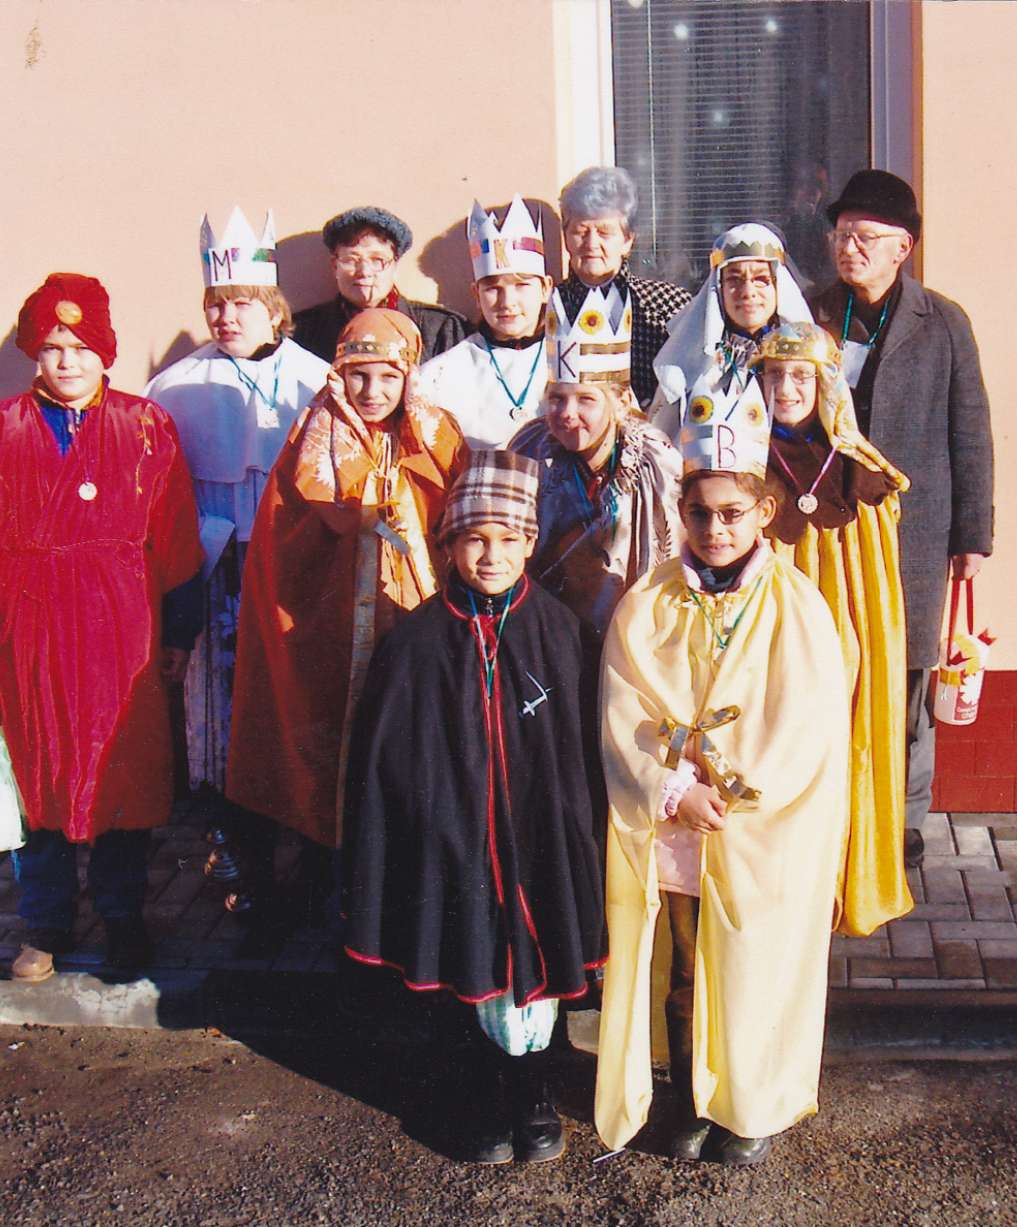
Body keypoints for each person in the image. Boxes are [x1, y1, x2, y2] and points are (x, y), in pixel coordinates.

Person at [594, 378, 850, 1166]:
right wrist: (672, 786)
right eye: (699, 512)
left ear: (765, 511)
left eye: (732, 513)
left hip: (758, 828)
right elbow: (623, 706)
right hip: (677, 819)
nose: (714, 528)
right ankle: (691, 1097)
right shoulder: (647, 602)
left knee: (752, 962)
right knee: (683, 964)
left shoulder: (798, 605)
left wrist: (733, 789)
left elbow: (805, 721)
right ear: (681, 511)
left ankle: (751, 1102)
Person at [0, 273, 204, 983]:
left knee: (123, 773)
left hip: (125, 631)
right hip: (32, 631)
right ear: (35, 352)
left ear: (104, 352)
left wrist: (179, 633)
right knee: (39, 776)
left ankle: (123, 919)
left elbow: (177, 533)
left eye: (81, 347)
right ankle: (45, 923)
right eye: (53, 347)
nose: (67, 361)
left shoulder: (146, 427)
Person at [344, 449, 606, 1165]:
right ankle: (478, 1088)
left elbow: (581, 751)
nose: (491, 556)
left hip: (538, 836)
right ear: (450, 545)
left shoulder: (562, 634)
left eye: (508, 539)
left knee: (539, 958)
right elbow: (387, 763)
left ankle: (533, 1089)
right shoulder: (416, 643)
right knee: (462, 950)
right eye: (474, 539)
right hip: (454, 838)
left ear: (530, 541)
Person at [225, 308, 467, 915]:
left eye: (388, 376)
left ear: (408, 377)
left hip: (413, 616)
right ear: (338, 374)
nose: (372, 391)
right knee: (333, 745)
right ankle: (329, 877)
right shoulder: (313, 435)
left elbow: (456, 518)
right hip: (331, 624)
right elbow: (283, 534)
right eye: (359, 375)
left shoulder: (437, 434)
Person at [142, 207, 329, 917]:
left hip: (291, 573)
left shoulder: (317, 378)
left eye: (241, 304)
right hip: (218, 572)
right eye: (215, 306)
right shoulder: (175, 387)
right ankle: (241, 860)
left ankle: (308, 865)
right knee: (225, 718)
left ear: (273, 307)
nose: (226, 318)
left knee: (295, 712)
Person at [806, 170, 995, 867]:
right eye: (841, 234)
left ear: (902, 247)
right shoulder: (810, 313)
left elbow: (970, 431)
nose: (849, 248)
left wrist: (972, 535)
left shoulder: (942, 322)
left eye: (866, 237)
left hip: (913, 530)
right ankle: (835, 810)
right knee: (830, 666)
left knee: (908, 676)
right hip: (828, 529)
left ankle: (905, 818)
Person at [750, 321, 913, 936]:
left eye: (801, 376)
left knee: (842, 754)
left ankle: (842, 884)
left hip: (843, 643)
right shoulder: (739, 459)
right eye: (774, 375)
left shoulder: (859, 470)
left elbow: (874, 587)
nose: (787, 389)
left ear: (826, 384)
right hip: (767, 643)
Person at [507, 285, 680, 633]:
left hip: (632, 628)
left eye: (586, 399)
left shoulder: (653, 460)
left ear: (620, 402)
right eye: (557, 398)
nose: (567, 413)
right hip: (547, 626)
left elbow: (669, 549)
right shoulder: (530, 446)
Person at [649, 222, 811, 437]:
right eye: (734, 279)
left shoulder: (807, 356)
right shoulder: (690, 361)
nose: (748, 291)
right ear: (719, 288)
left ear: (778, 286)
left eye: (761, 280)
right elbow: (663, 438)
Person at [415, 196, 552, 449]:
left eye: (521, 285)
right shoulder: (439, 376)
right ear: (476, 295)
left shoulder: (575, 359)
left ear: (545, 288)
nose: (507, 302)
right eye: (493, 288)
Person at [555, 166, 692, 404]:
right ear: (565, 237)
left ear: (628, 240)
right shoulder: (551, 305)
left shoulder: (667, 306)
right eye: (580, 231)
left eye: (604, 232)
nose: (591, 243)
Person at [292, 205, 466, 365]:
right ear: (334, 266)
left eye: (377, 260)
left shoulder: (441, 329)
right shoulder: (302, 332)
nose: (364, 272)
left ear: (395, 265)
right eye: (351, 260)